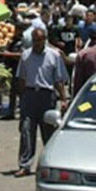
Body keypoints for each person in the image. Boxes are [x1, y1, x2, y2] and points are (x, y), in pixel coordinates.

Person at [15, 28, 69, 177]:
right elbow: (21, 78)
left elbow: (58, 80)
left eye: (39, 40)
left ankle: (50, 163)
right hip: (30, 95)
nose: (37, 43)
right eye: (34, 40)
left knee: (48, 132)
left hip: (47, 96)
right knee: (27, 131)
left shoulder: (54, 56)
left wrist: (63, 99)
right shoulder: (25, 56)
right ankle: (25, 165)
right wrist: (22, 98)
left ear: (45, 39)